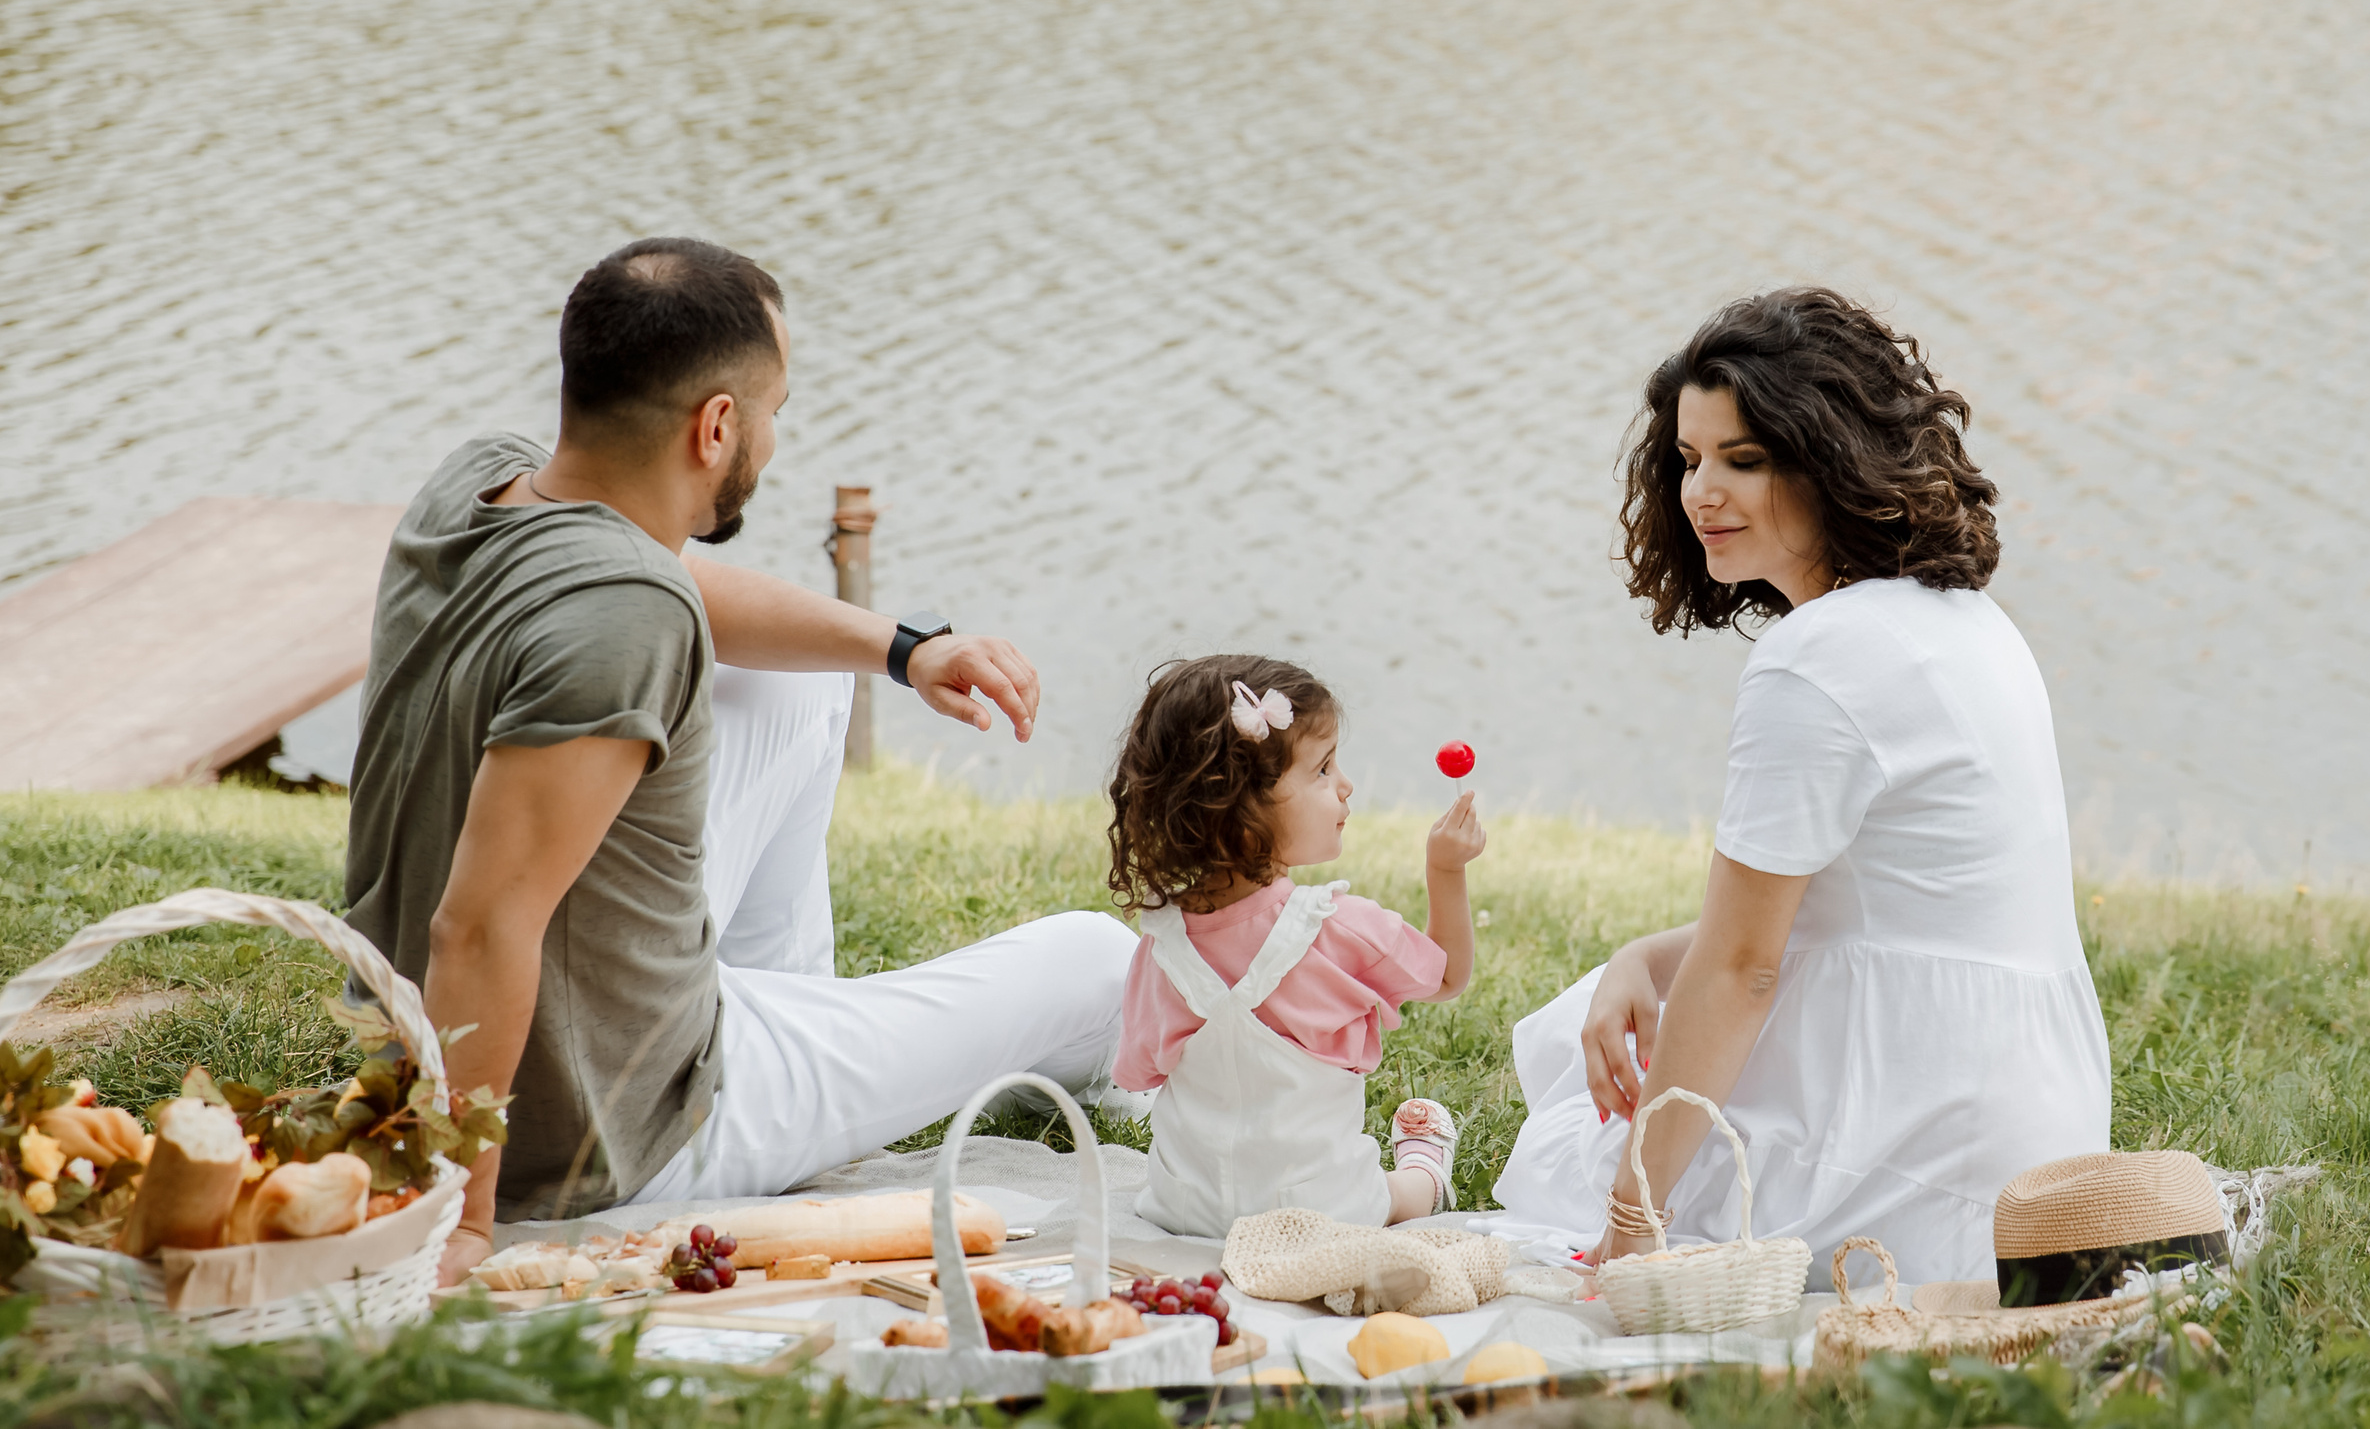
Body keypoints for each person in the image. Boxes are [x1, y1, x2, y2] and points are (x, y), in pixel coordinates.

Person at [340, 237, 1138, 1286]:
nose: (772, 437)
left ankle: (783, 1018)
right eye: (774, 412)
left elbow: (664, 588)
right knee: (1096, 962)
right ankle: (768, 1103)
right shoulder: (624, 617)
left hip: (440, 1036)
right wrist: (463, 1220)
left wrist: (907, 649)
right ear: (717, 425)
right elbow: (479, 926)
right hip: (607, 1130)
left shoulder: (478, 485)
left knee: (799, 673)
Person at [1489, 288, 2109, 1287]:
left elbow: (1743, 968)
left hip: (1925, 1159)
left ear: (1831, 461)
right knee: (1598, 1017)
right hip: (2038, 1124)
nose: (1701, 494)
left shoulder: (1817, 659)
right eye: (1688, 460)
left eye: (1744, 460)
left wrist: (1631, 1219)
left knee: (1575, 1127)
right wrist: (1638, 960)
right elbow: (1860, 918)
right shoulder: (1962, 619)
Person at [1105, 655, 1485, 1237]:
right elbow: (1450, 974)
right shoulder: (1336, 930)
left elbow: (1137, 1073)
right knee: (1392, 1192)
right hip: (1323, 1212)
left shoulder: (1160, 948)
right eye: (1324, 769)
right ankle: (1426, 1176)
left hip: (1185, 1210)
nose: (1346, 784)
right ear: (1242, 808)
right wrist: (1445, 869)